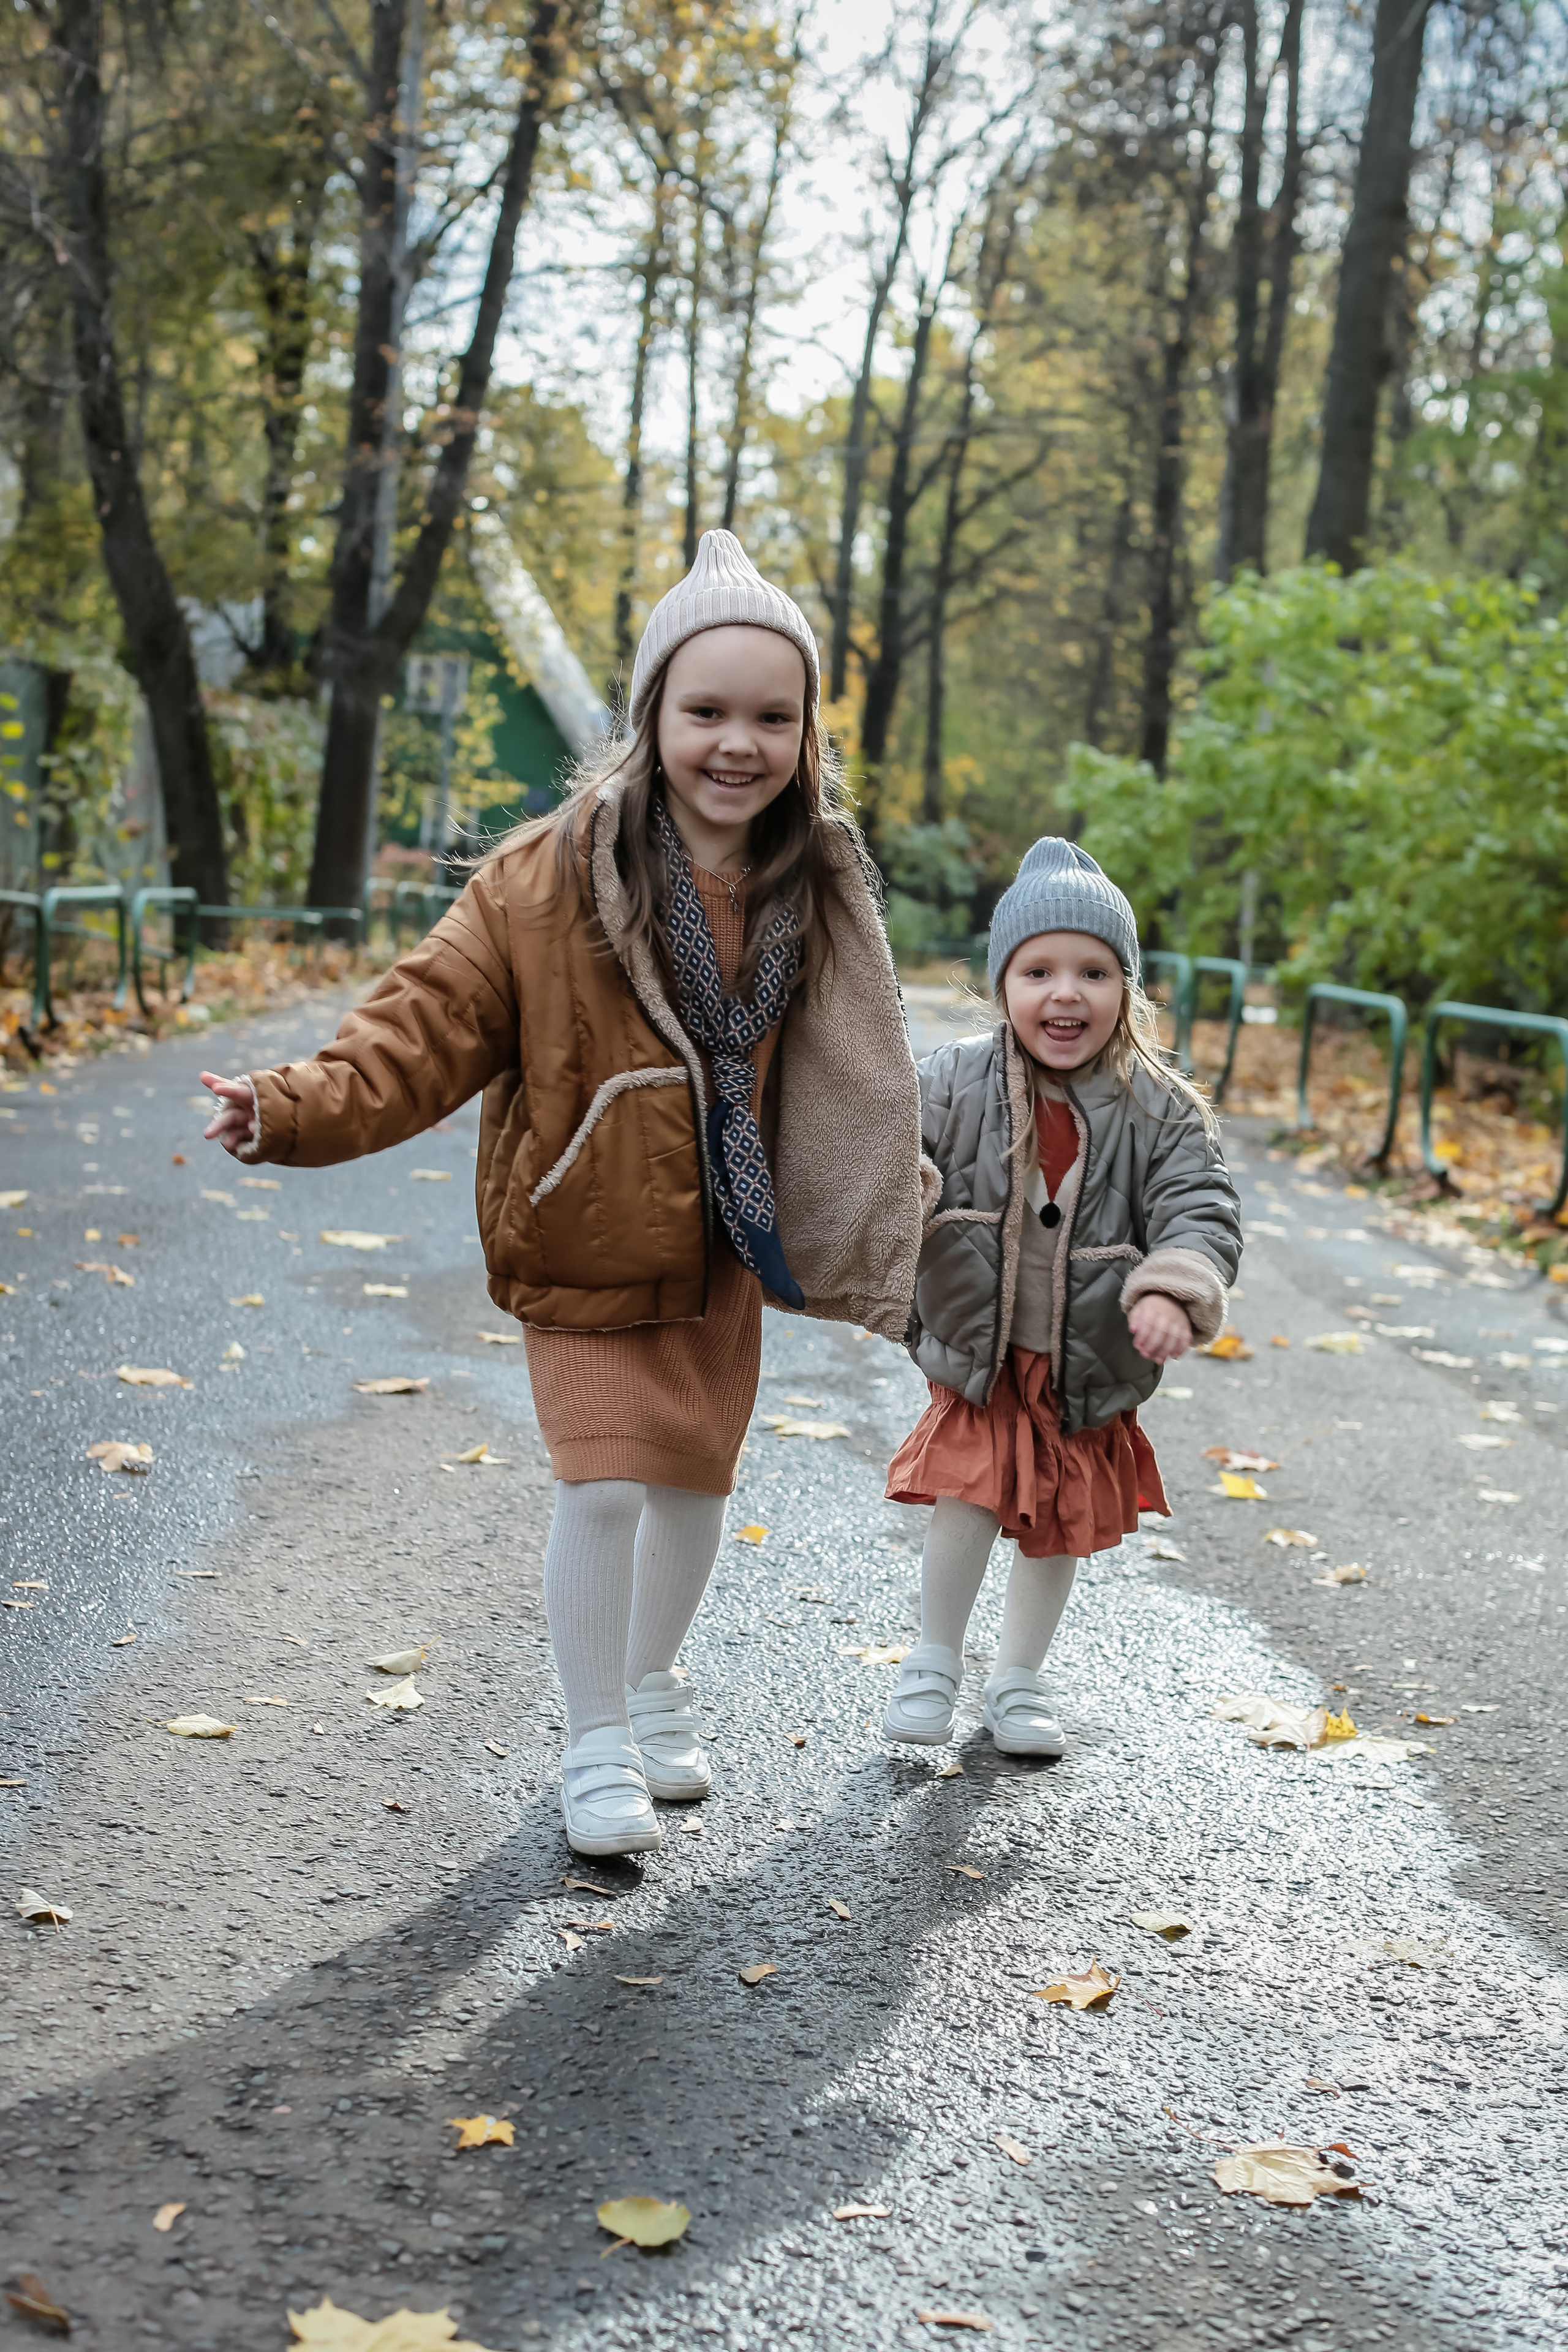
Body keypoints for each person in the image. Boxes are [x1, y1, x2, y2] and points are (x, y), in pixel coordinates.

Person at [201, 530, 923, 1856]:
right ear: (651, 717)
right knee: (601, 1484)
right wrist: (293, 1104)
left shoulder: (813, 885)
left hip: (722, 1243)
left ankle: (648, 1686)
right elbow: (421, 1025)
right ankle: (593, 1743)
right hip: (589, 1227)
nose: (737, 744)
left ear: (806, 734)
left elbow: (859, 1072)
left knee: (695, 1486)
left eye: (773, 717)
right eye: (705, 710)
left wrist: (899, 1211)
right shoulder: (543, 878)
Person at [882, 837, 1242, 1758]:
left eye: (1093, 970)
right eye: (1038, 970)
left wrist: (1174, 1286)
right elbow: (890, 1155)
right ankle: (933, 1660)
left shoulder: (1158, 1109)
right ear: (1003, 983)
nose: (1065, 993)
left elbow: (1199, 1209)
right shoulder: (952, 1083)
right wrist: (902, 1190)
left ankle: (1019, 1678)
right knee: (967, 1494)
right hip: (984, 1351)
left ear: (1128, 988)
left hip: (1088, 1358)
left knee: (1057, 1525)